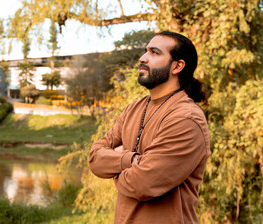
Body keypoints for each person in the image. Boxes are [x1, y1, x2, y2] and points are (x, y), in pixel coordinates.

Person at [89, 31, 211, 224]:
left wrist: (115, 163)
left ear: (177, 66)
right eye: (145, 51)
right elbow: (95, 158)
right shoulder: (134, 108)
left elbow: (141, 184)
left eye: (154, 53)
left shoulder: (185, 118)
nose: (142, 58)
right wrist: (134, 159)